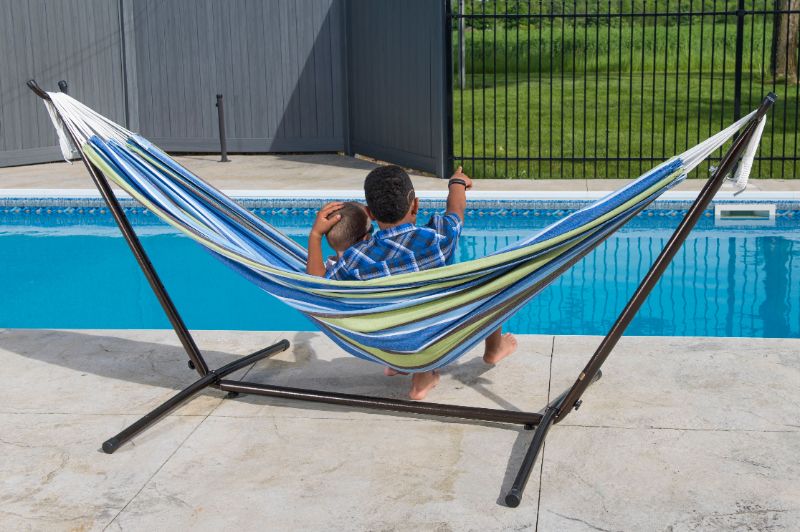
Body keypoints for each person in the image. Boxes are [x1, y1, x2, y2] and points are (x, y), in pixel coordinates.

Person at [316, 164, 517, 400]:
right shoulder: (438, 240)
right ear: (416, 204)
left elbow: (319, 288)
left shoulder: (355, 259)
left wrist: (315, 235)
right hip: (432, 340)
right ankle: (492, 350)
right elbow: (455, 211)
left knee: (402, 315)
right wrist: (457, 183)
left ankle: (411, 369)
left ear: (370, 213)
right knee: (492, 283)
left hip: (387, 346)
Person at [306, 201, 372, 276]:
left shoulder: (322, 270)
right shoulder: (370, 268)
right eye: (371, 229)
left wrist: (316, 234)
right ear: (366, 238)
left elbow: (316, 279)